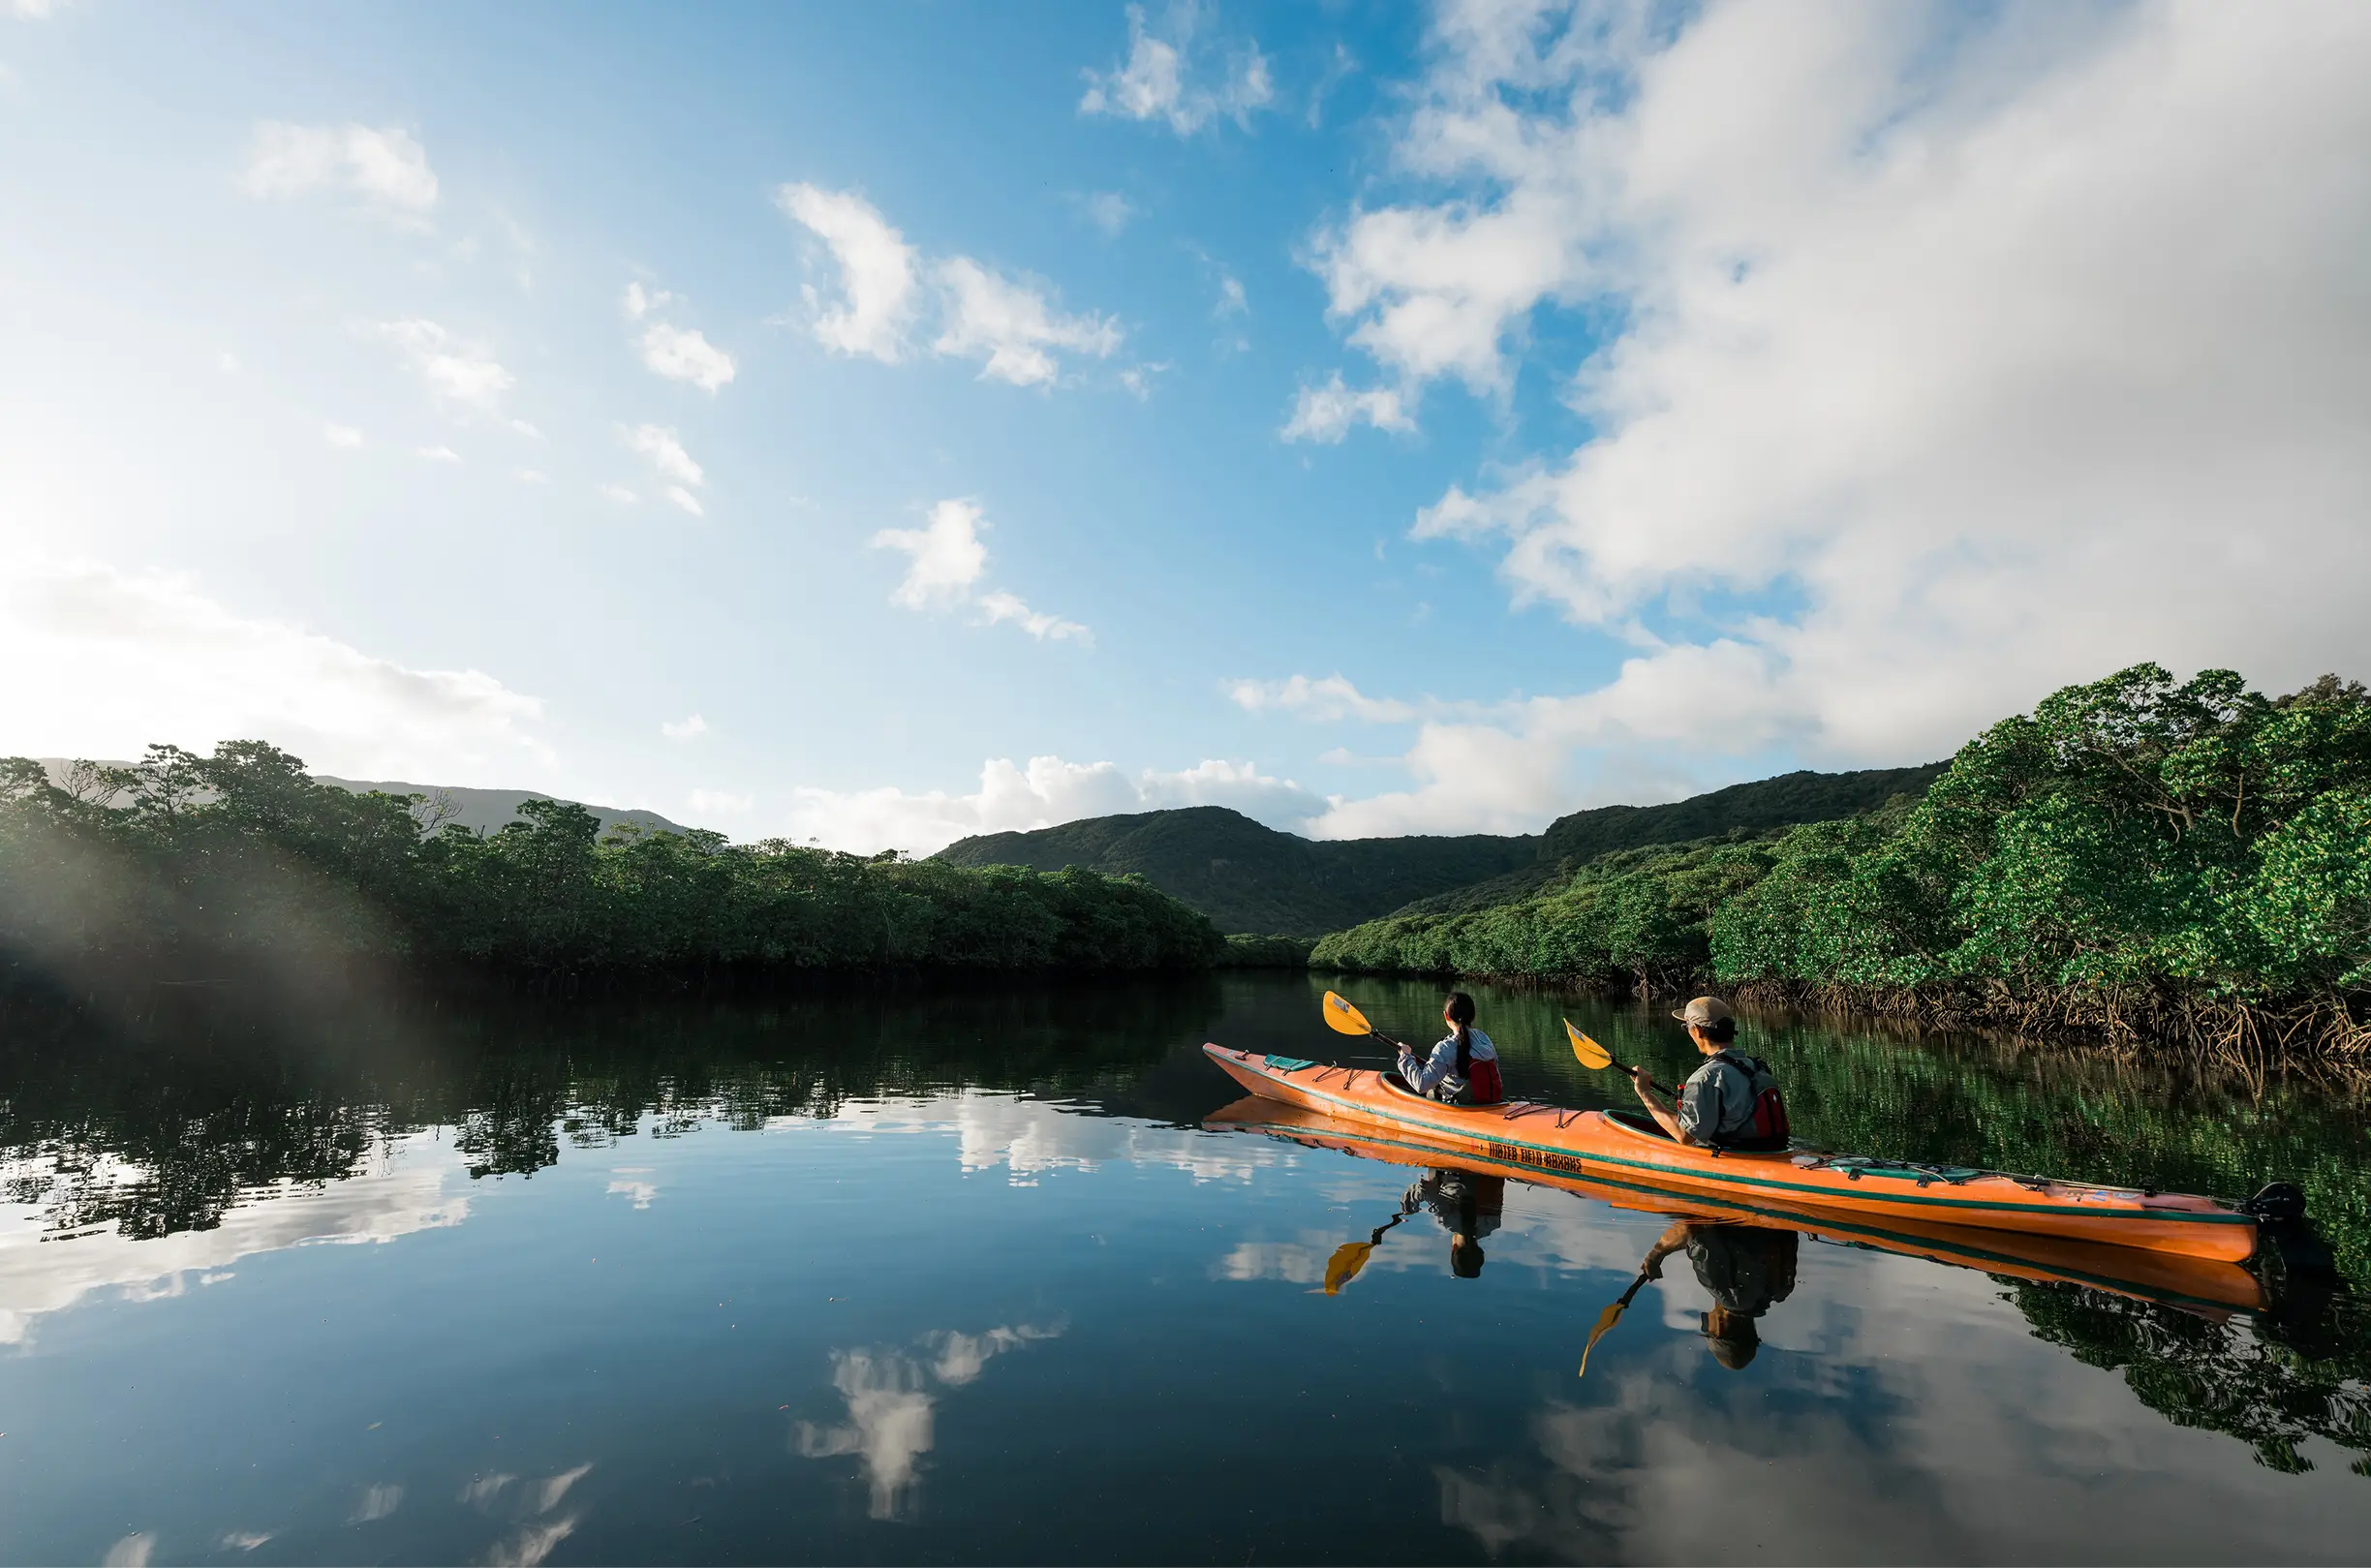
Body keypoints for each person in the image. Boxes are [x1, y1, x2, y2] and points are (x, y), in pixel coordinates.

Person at [1628, 996, 1789, 1151]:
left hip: (1738, 1158)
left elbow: (1684, 1136)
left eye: (1686, 1026)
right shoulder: (1756, 1066)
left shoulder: (1705, 1078)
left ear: (1698, 1031)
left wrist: (1645, 1093)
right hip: (1775, 1151)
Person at [1640, 1219, 1799, 1369]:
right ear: (1718, 1330)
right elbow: (1690, 1227)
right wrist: (1656, 1254)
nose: (1707, 1320)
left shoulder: (1780, 1289)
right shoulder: (1718, 1287)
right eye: (1706, 1327)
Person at [1396, 992, 1505, 1105]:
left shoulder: (1444, 1048)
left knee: (1431, 1092)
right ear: (1473, 1015)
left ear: (1446, 1015)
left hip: (1461, 1106)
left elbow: (1421, 1085)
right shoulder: (1483, 1038)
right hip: (1490, 1103)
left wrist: (1406, 1057)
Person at [1401, 1166, 1505, 1278]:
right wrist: (1409, 1207)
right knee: (1434, 1179)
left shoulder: (1493, 1224)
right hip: (1456, 1168)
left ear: (1481, 1252)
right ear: (1453, 1248)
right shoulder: (1449, 1221)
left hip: (1492, 1169)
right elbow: (1424, 1190)